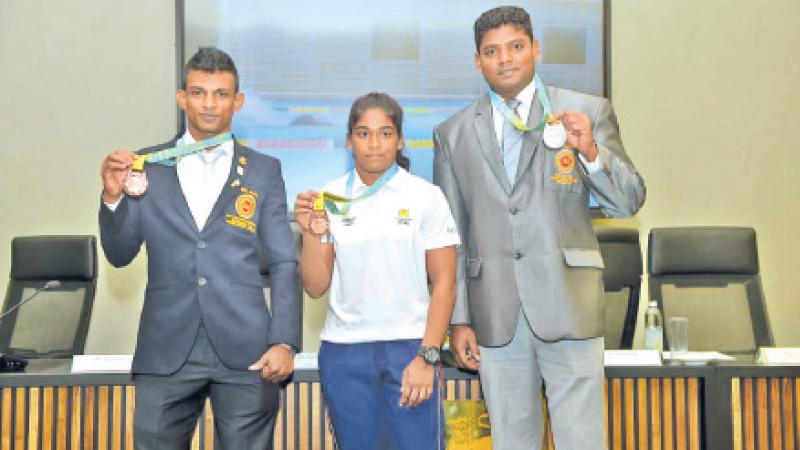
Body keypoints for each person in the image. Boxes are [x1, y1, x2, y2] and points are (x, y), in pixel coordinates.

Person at [433, 6, 646, 450]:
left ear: (536, 49)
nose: (505, 59)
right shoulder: (451, 134)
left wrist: (590, 152)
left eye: (515, 46)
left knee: (582, 442)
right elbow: (451, 234)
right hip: (495, 313)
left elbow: (628, 201)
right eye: (492, 51)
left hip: (568, 303)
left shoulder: (585, 111)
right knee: (511, 442)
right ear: (478, 61)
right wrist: (459, 319)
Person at [99, 47, 299, 450]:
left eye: (221, 94)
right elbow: (120, 254)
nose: (210, 104)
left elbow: (282, 261)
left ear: (238, 101)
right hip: (165, 347)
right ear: (181, 97)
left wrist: (284, 341)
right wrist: (112, 198)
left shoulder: (264, 169)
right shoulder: (145, 165)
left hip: (249, 352)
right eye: (199, 92)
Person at [294, 92, 459, 450]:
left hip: (410, 350)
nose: (374, 144)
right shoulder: (330, 197)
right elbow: (315, 286)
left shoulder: (425, 196)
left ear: (399, 140)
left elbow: (445, 282)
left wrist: (428, 356)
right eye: (363, 133)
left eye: (385, 133)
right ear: (349, 140)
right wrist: (310, 232)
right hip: (344, 353)